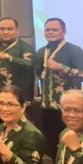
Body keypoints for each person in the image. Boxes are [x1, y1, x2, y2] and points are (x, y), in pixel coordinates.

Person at [34, 18, 83, 154]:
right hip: (47, 107)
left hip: (68, 109)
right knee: (51, 145)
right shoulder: (41, 51)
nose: (50, 32)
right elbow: (38, 73)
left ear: (64, 31)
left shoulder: (74, 50)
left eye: (54, 29)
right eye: (47, 30)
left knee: (71, 142)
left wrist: (60, 67)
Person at [0, 17, 35, 126]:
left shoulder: (25, 48)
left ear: (17, 31)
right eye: (2, 29)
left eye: (10, 29)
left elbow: (30, 65)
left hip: (18, 101)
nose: (6, 32)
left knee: (20, 132)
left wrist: (7, 57)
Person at [53, 89, 83, 164]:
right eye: (66, 109)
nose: (71, 115)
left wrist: (77, 150)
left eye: (77, 110)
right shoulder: (64, 133)